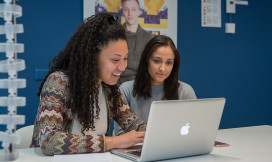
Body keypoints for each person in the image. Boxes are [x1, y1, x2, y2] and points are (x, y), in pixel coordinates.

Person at [30, 12, 146, 155]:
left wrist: (153, 134)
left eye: (125, 58)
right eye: (115, 60)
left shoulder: (109, 89)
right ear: (92, 57)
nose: (122, 67)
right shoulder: (58, 83)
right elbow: (49, 141)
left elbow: (133, 124)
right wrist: (113, 141)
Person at [114, 35, 197, 135]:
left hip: (176, 149)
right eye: (157, 61)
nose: (162, 68)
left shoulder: (185, 91)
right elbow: (120, 134)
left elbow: (195, 131)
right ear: (146, 60)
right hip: (137, 149)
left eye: (169, 62)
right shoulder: (126, 90)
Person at [118, 0, 153, 84]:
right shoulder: (115, 36)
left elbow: (151, 67)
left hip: (142, 86)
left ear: (139, 11)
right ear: (122, 11)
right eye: (126, 9)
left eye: (133, 9)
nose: (130, 13)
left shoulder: (148, 38)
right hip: (118, 85)